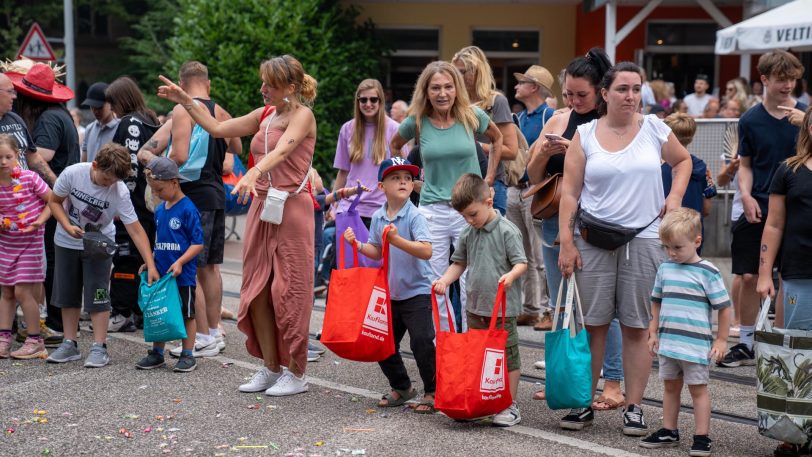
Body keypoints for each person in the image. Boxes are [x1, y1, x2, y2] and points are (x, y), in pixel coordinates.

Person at [157, 54, 317, 396]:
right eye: (263, 83)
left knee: (289, 291)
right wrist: (186, 102)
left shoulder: (303, 116)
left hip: (291, 209)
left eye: (269, 85)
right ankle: (271, 367)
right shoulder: (265, 115)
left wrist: (255, 171)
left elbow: (283, 152)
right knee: (257, 290)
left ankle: (297, 372)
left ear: (290, 88)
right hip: (263, 208)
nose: (263, 89)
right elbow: (217, 128)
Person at [556, 61, 692, 435]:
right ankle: (584, 402)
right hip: (594, 239)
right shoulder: (585, 134)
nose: (630, 96)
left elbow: (683, 162)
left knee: (635, 326)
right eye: (622, 89)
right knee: (594, 326)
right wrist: (566, 242)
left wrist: (675, 196)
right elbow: (569, 192)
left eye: (636, 89)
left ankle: (633, 406)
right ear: (605, 93)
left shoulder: (654, 128)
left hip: (645, 238)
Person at [526, 48, 626, 409]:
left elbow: (620, 175)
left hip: (598, 223)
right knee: (560, 303)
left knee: (602, 307)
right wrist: (540, 153)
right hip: (554, 219)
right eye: (568, 93)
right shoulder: (556, 118)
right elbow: (532, 177)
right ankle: (561, 375)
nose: (573, 100)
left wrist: (578, 152)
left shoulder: (612, 122)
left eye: (580, 94)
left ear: (601, 90)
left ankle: (612, 383)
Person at [390, 60, 503, 332]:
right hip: (432, 210)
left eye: (448, 87)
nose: (442, 93)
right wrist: (407, 180)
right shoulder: (417, 122)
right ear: (426, 92)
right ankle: (444, 347)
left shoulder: (471, 116)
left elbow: (498, 140)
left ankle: (471, 344)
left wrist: (488, 180)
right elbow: (394, 146)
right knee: (436, 283)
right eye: (436, 88)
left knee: (471, 283)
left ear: (457, 89)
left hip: (471, 211)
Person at [721, 50, 806, 369]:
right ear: (765, 80)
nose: (788, 85)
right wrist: (745, 195)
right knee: (747, 275)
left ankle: (781, 341)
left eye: (793, 79)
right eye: (782, 79)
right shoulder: (750, 119)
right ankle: (745, 343)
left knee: (789, 275)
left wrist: (806, 122)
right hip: (758, 201)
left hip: (796, 206)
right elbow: (745, 165)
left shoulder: (805, 115)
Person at [45, 143, 159, 367]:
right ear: (95, 165)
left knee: (98, 294)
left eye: (114, 181)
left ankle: (100, 346)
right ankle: (69, 343)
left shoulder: (120, 190)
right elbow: (54, 201)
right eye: (106, 179)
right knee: (68, 292)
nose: (109, 185)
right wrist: (67, 225)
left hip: (100, 243)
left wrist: (150, 263)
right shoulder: (73, 174)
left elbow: (136, 229)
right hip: (67, 240)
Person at [433, 173, 527, 426]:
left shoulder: (508, 230)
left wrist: (510, 275)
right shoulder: (468, 232)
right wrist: (445, 280)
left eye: (472, 214)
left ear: (488, 201)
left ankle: (509, 404)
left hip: (502, 309)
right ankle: (480, 399)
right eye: (464, 216)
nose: (469, 220)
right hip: (475, 307)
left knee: (507, 357)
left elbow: (521, 263)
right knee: (477, 355)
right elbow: (459, 263)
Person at [343, 157, 436, 414]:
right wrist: (358, 245)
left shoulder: (415, 215)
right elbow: (376, 251)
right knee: (381, 343)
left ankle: (433, 391)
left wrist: (396, 239)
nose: (404, 181)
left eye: (407, 177)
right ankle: (403, 387)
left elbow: (427, 251)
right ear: (382, 187)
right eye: (396, 177)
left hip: (417, 291)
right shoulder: (378, 215)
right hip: (391, 294)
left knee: (422, 342)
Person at [163, 61, 240, 358]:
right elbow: (237, 147)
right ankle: (214, 332)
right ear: (207, 84)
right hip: (216, 195)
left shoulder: (183, 109)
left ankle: (203, 336)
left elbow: (179, 155)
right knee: (211, 268)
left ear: (182, 85)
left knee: (190, 267)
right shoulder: (220, 111)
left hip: (192, 197)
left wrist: (164, 163)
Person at [641, 208, 731, 457]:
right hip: (669, 344)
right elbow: (656, 300)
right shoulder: (665, 269)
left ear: (697, 241)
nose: (671, 253)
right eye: (667, 247)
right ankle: (669, 430)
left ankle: (702, 436)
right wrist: (653, 330)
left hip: (694, 345)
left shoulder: (708, 272)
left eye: (678, 247)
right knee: (670, 387)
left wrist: (722, 340)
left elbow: (724, 308)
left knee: (698, 390)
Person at [9, 63, 81, 346]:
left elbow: (42, 158)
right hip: (59, 197)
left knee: (50, 260)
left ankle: (53, 320)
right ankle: (56, 318)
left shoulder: (49, 119)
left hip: (52, 200)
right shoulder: (61, 114)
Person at [757, 106, 812, 457]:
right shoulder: (788, 170)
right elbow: (774, 224)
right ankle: (792, 432)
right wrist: (764, 272)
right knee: (797, 356)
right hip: (798, 275)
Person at [135, 157, 203, 372]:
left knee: (187, 314)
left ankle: (187, 354)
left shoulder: (188, 209)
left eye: (160, 189)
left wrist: (181, 262)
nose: (156, 194)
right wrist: (150, 263)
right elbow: (158, 241)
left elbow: (198, 243)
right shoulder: (160, 210)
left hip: (183, 275)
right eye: (153, 190)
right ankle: (157, 353)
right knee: (160, 312)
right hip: (162, 274)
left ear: (175, 182)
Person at [105, 76, 162, 332]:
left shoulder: (129, 123)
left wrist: (118, 202)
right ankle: (142, 310)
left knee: (126, 258)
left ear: (122, 100)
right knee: (146, 255)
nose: (112, 111)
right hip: (152, 200)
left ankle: (121, 311)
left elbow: (124, 165)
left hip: (133, 202)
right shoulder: (152, 120)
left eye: (113, 104)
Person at [0, 135, 52, 359]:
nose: (3, 162)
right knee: (7, 292)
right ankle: (4, 338)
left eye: (8, 157)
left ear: (17, 155)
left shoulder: (30, 178)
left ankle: (35, 339)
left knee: (22, 290)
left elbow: (53, 200)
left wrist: (40, 221)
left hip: (30, 241)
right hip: (6, 243)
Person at [512, 64, 556, 329]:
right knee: (522, 254)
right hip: (516, 188)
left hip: (536, 190)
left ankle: (547, 309)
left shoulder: (549, 115)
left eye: (521, 82)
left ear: (534, 87)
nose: (516, 86)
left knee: (540, 255)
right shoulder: (519, 118)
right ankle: (530, 308)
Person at [452, 45, 518, 216]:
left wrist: (478, 147)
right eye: (454, 72)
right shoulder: (453, 103)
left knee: (491, 240)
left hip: (490, 183)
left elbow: (511, 150)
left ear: (476, 72)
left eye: (462, 72)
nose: (456, 77)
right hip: (458, 183)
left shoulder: (496, 101)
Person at [333, 79, 402, 228]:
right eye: (363, 99)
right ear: (357, 102)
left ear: (381, 101)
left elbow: (402, 175)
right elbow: (343, 172)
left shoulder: (395, 129)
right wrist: (333, 203)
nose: (368, 104)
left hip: (383, 211)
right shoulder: (347, 129)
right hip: (350, 209)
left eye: (373, 99)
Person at [662, 113, 716, 252]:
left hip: (664, 233)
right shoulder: (704, 169)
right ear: (691, 138)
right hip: (693, 233)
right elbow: (706, 209)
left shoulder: (657, 169)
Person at [80, 82, 119, 163]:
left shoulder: (120, 128)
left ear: (110, 104)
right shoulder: (89, 129)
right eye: (92, 107)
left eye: (100, 107)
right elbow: (83, 163)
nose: (95, 111)